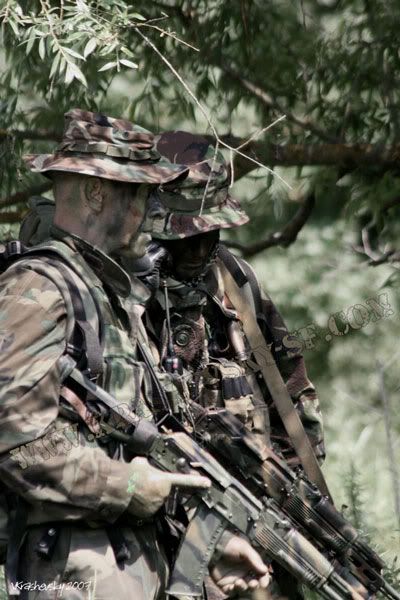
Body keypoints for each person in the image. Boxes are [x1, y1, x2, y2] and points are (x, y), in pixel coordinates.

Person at [0, 110, 270, 600]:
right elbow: (15, 438)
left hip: (126, 564)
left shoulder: (106, 293)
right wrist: (125, 485)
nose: (149, 211)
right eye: (141, 194)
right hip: (76, 570)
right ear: (96, 191)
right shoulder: (39, 287)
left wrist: (208, 542)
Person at [143, 131, 326, 599]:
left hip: (256, 505)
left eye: (210, 233)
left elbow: (289, 387)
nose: (198, 249)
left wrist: (299, 495)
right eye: (185, 236)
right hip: (164, 514)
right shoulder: (129, 290)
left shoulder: (237, 280)